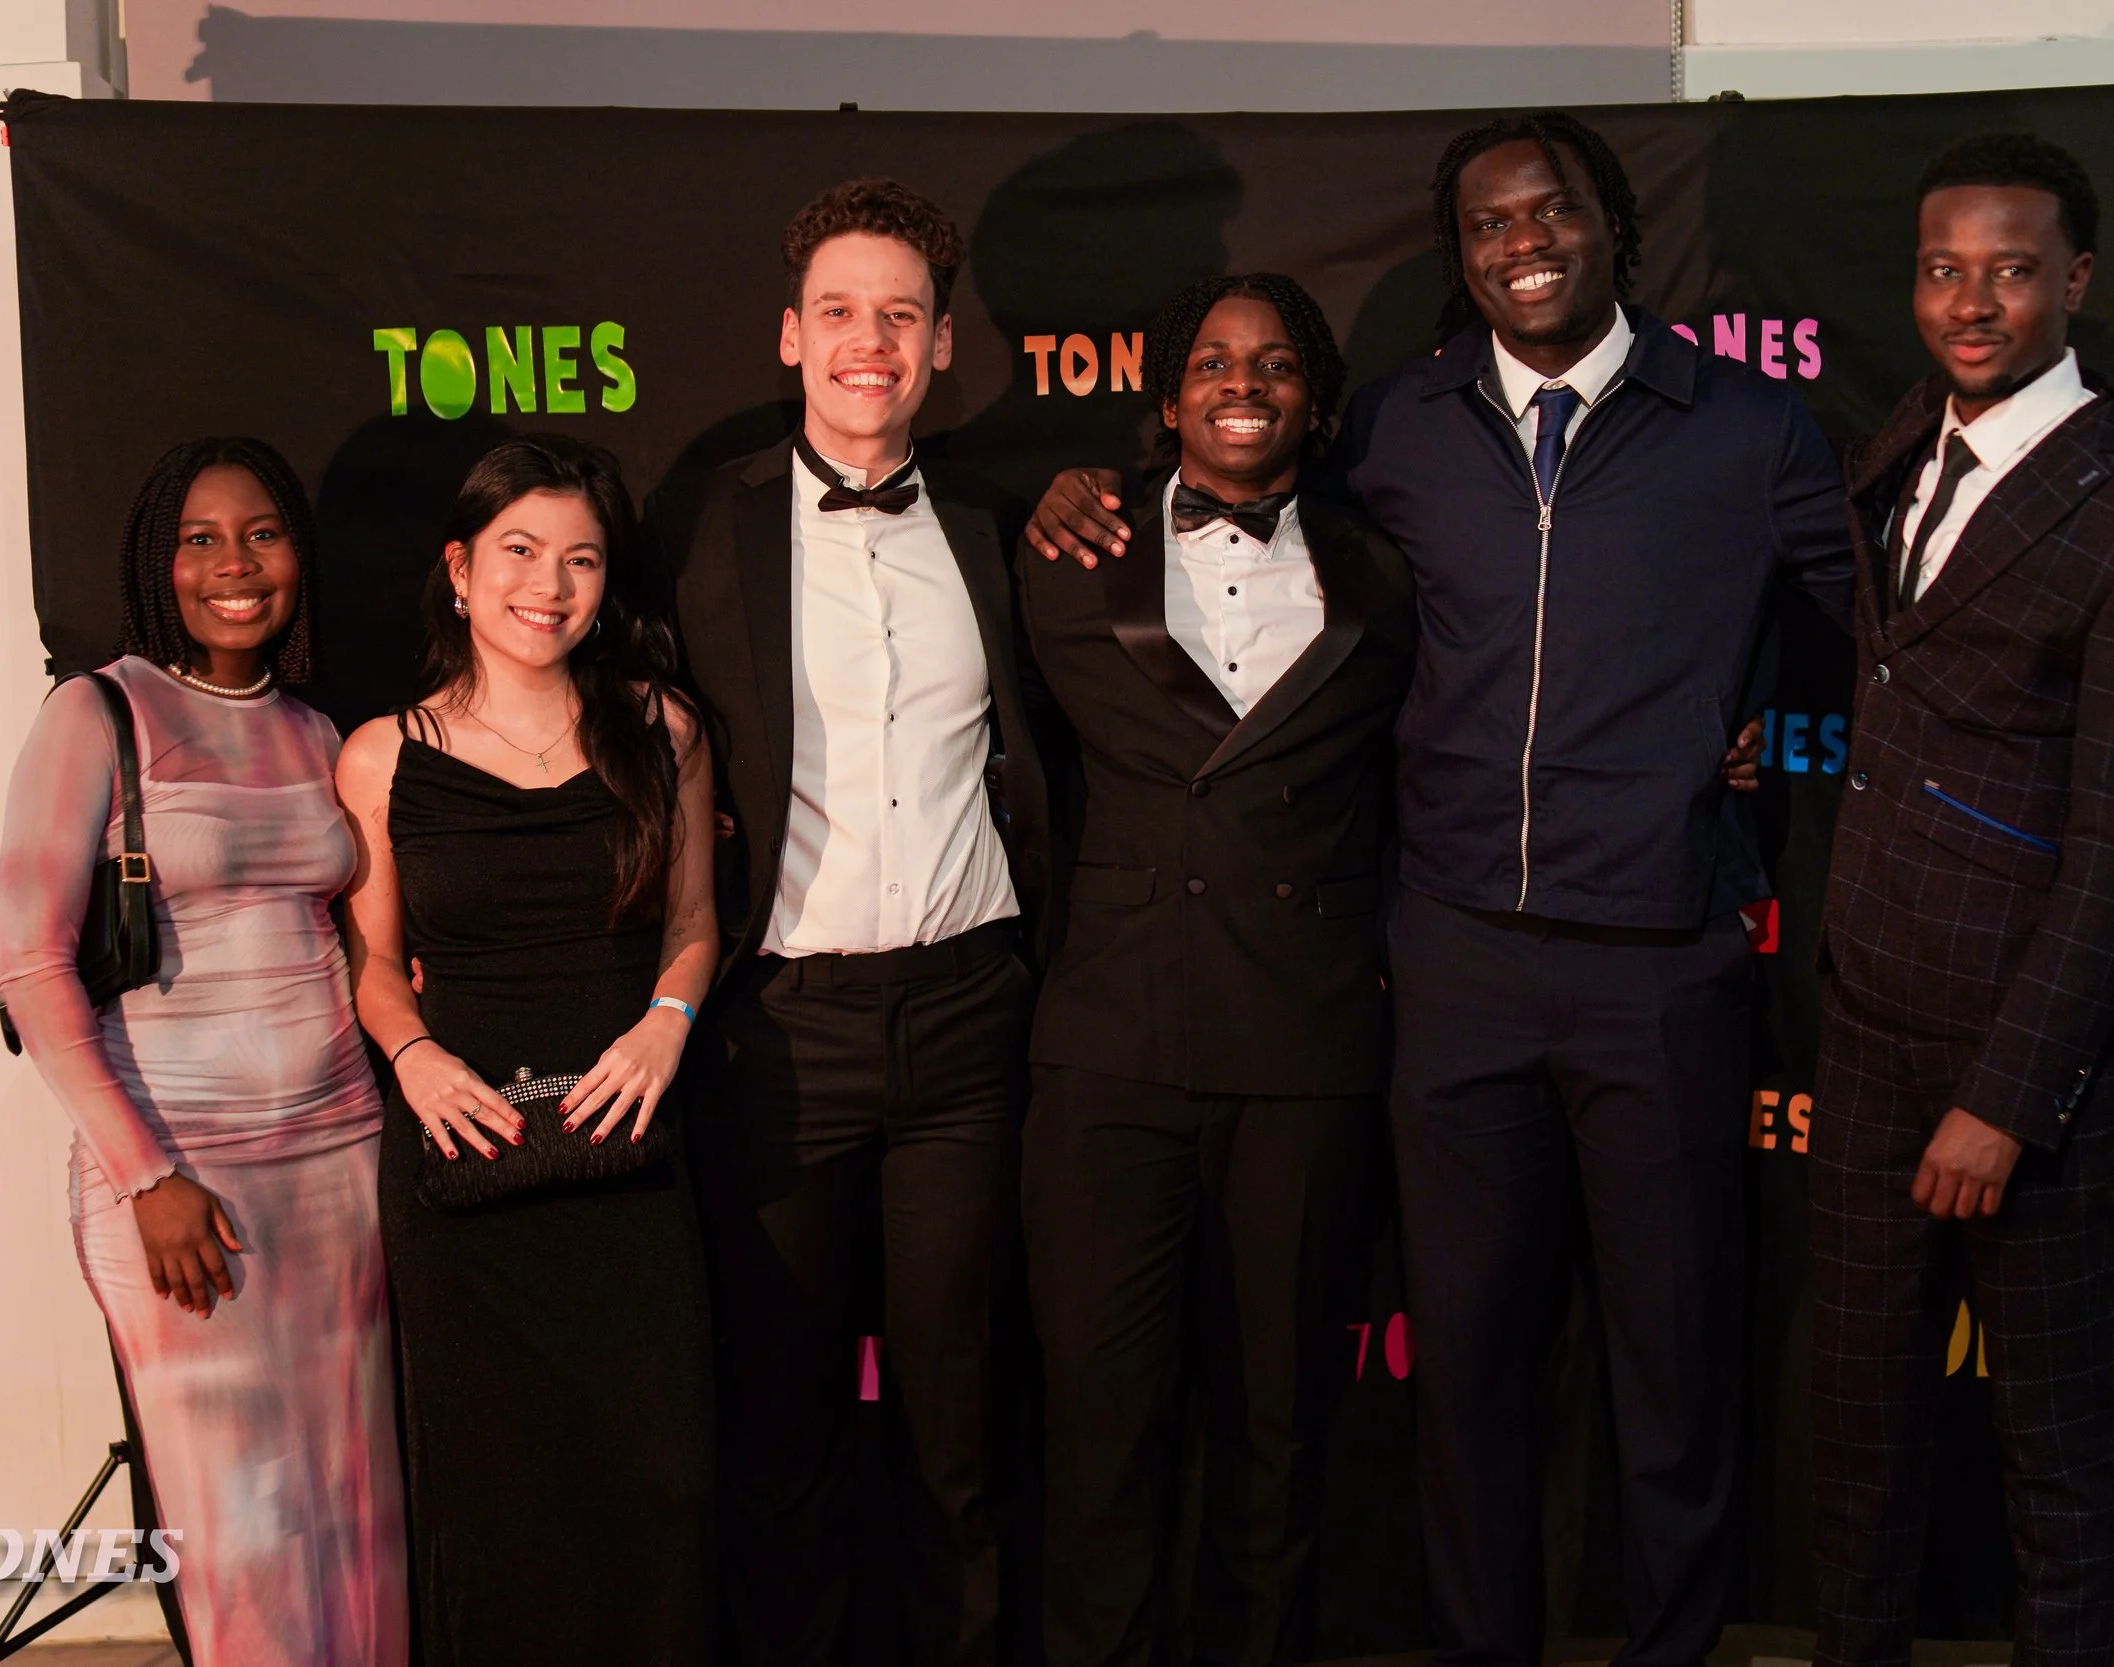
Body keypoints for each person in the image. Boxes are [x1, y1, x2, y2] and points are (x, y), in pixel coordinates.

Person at [1028, 110, 1850, 1666]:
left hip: (1663, 956)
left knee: (1672, 1371)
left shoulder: (1746, 427)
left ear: (1612, 226)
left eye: (1547, 212)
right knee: (1467, 1375)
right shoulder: (1399, 428)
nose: (1518, 242)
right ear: (1461, 255)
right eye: (1484, 223)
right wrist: (1088, 479)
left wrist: (1734, 718)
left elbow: (1849, 616)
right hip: (1454, 962)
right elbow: (1232, 483)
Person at [1809, 133, 2114, 1667]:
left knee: (2053, 1447)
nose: (1970, 299)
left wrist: (2006, 1096)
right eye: (1942, 268)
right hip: (1864, 1025)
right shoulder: (1898, 440)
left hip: (2028, 1059)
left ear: (2078, 281)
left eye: (2008, 268)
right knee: (1856, 1438)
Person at [667, 178, 1053, 1667]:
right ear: (790, 335)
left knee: (962, 1425)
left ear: (942, 342)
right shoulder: (711, 531)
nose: (868, 341)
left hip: (971, 1023)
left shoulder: (997, 525)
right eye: (840, 312)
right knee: (785, 1424)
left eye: (899, 313)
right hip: (782, 1033)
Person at [1019, 273, 1415, 1667]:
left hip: (1304, 1049)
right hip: (1109, 1045)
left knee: (1281, 1428)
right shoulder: (1069, 542)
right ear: (1168, 395)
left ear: (1314, 397)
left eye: (1276, 362)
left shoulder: (1384, 570)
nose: (1243, 381)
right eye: (1213, 360)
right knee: (1103, 1428)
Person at [0, 437, 405, 1666]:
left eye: (264, 535)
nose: (236, 564)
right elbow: (31, 968)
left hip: (342, 1162)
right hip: (180, 1177)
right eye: (202, 538)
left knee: (355, 1501)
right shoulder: (96, 710)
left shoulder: (314, 727)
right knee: (243, 1523)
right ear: (157, 560)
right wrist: (144, 1177)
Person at [337, 433, 718, 1666]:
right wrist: (415, 1059)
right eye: (517, 551)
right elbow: (376, 965)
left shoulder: (662, 726)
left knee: (656, 1479)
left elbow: (695, 922)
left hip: (628, 1147)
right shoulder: (381, 754)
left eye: (580, 559)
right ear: (458, 569)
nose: (546, 584)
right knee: (493, 1494)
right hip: (464, 1153)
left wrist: (666, 1025)